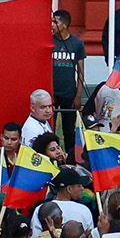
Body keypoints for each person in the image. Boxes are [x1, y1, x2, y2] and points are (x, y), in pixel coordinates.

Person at [50, 12, 86, 155]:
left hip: (69, 93)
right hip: (52, 93)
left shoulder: (77, 43)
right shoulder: (49, 41)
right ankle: (52, 156)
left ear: (64, 25)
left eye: (55, 22)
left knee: (69, 130)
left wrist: (78, 96)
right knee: (50, 129)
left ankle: (70, 158)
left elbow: (81, 72)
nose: (52, 25)